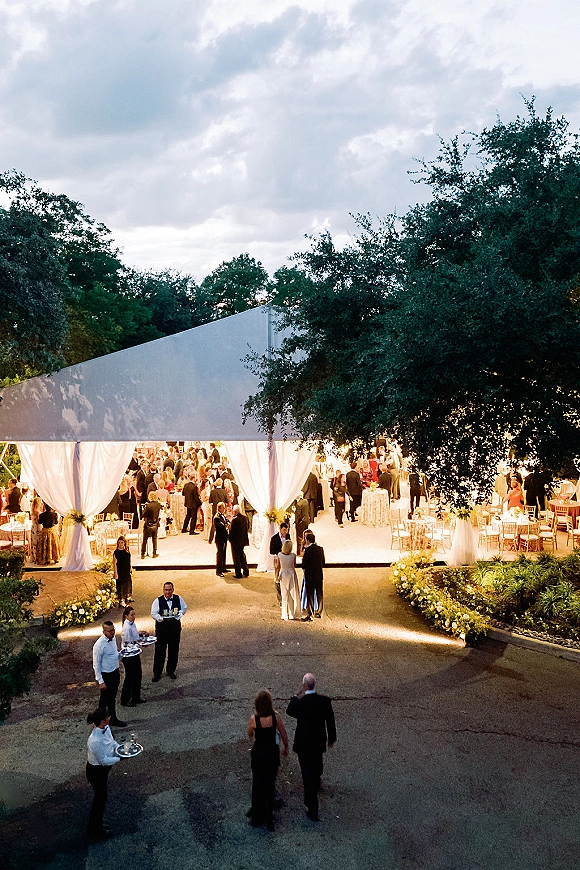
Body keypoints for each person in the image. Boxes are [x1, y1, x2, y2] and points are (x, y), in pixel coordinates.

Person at [286, 673, 336, 822]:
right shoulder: (324, 701)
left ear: (304, 685)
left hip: (303, 744)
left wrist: (296, 695)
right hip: (318, 741)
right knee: (317, 763)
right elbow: (330, 721)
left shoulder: (299, 703)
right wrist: (331, 738)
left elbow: (289, 711)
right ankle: (317, 779)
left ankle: (312, 808)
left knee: (306, 774)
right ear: (315, 684)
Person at [247, 689, 289, 830]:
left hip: (259, 754)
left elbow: (250, 733)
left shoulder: (254, 719)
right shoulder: (276, 717)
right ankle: (269, 817)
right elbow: (283, 733)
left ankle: (256, 815)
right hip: (272, 753)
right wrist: (286, 747)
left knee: (257, 783)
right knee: (270, 784)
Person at [85, 707, 121, 840]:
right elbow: (104, 761)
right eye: (107, 717)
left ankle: (96, 825)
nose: (109, 718)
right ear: (102, 721)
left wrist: (120, 749)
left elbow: (112, 742)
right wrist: (120, 758)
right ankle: (95, 829)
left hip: (102, 770)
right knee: (100, 798)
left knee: (101, 797)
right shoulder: (95, 740)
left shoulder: (106, 728)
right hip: (96, 772)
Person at [92, 621, 127, 728]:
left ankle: (112, 719)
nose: (112, 632)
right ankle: (99, 723)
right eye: (110, 631)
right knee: (104, 701)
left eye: (113, 630)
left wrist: (121, 654)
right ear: (104, 631)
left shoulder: (113, 639)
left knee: (112, 699)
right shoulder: (99, 645)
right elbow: (96, 664)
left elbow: (114, 654)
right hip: (106, 675)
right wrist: (100, 681)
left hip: (115, 672)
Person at [151, 581, 187, 681]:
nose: (168, 592)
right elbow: (153, 613)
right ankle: (157, 673)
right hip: (162, 629)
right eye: (166, 590)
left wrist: (179, 614)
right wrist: (161, 618)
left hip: (174, 628)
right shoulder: (157, 601)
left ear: (173, 590)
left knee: (174, 651)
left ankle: (171, 670)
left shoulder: (178, 598)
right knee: (160, 652)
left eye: (169, 590)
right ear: (163, 590)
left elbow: (184, 608)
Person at [120, 605, 147, 707]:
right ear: (126, 616)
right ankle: (125, 700)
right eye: (131, 615)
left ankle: (136, 697)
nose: (133, 616)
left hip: (134, 653)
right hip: (129, 655)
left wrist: (140, 634)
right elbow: (129, 643)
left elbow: (134, 636)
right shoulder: (127, 628)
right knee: (130, 677)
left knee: (137, 675)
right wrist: (141, 644)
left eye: (134, 614)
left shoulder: (131, 624)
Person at [301, 530, 325, 620]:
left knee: (310, 594)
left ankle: (310, 613)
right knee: (319, 594)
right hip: (318, 575)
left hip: (310, 576)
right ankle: (319, 612)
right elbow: (323, 562)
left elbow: (304, 564)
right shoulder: (320, 549)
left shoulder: (308, 550)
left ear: (307, 540)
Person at [277, 539, 301, 620]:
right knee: (292, 594)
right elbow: (294, 565)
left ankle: (284, 614)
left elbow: (278, 565)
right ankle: (291, 614)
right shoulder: (293, 555)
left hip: (283, 574)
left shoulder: (279, 555)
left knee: (284, 594)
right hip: (291, 574)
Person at [269, 522, 290, 604]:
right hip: (278, 560)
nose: (285, 532)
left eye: (286, 530)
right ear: (280, 529)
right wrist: (278, 555)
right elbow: (271, 551)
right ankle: (280, 598)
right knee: (278, 578)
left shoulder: (288, 537)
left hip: (286, 560)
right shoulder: (274, 538)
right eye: (284, 530)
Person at [229, 505, 250, 579]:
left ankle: (238, 573)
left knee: (236, 557)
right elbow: (248, 527)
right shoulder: (245, 518)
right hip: (243, 540)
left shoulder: (234, 520)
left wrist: (230, 539)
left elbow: (232, 531)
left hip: (235, 541)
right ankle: (246, 571)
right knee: (242, 555)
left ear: (235, 512)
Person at [141, 491, 161, 558]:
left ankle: (143, 554)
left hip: (148, 524)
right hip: (155, 523)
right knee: (154, 538)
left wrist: (144, 509)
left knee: (145, 539)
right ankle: (154, 553)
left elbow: (143, 515)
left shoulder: (148, 506)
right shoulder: (158, 505)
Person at [113, 536, 132, 606]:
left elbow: (129, 560)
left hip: (126, 570)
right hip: (120, 571)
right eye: (119, 543)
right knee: (121, 586)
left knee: (128, 583)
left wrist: (130, 567)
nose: (120, 544)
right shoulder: (116, 552)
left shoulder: (127, 551)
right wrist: (115, 573)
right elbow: (114, 564)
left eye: (122, 542)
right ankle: (121, 600)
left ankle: (128, 596)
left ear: (124, 543)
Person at [214, 502, 230, 577]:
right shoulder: (216, 517)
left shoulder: (222, 515)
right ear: (219, 508)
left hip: (224, 537)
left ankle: (223, 567)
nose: (224, 509)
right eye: (223, 507)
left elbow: (226, 521)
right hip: (220, 538)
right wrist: (227, 525)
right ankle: (219, 570)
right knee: (220, 554)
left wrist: (228, 523)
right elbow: (222, 526)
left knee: (223, 553)